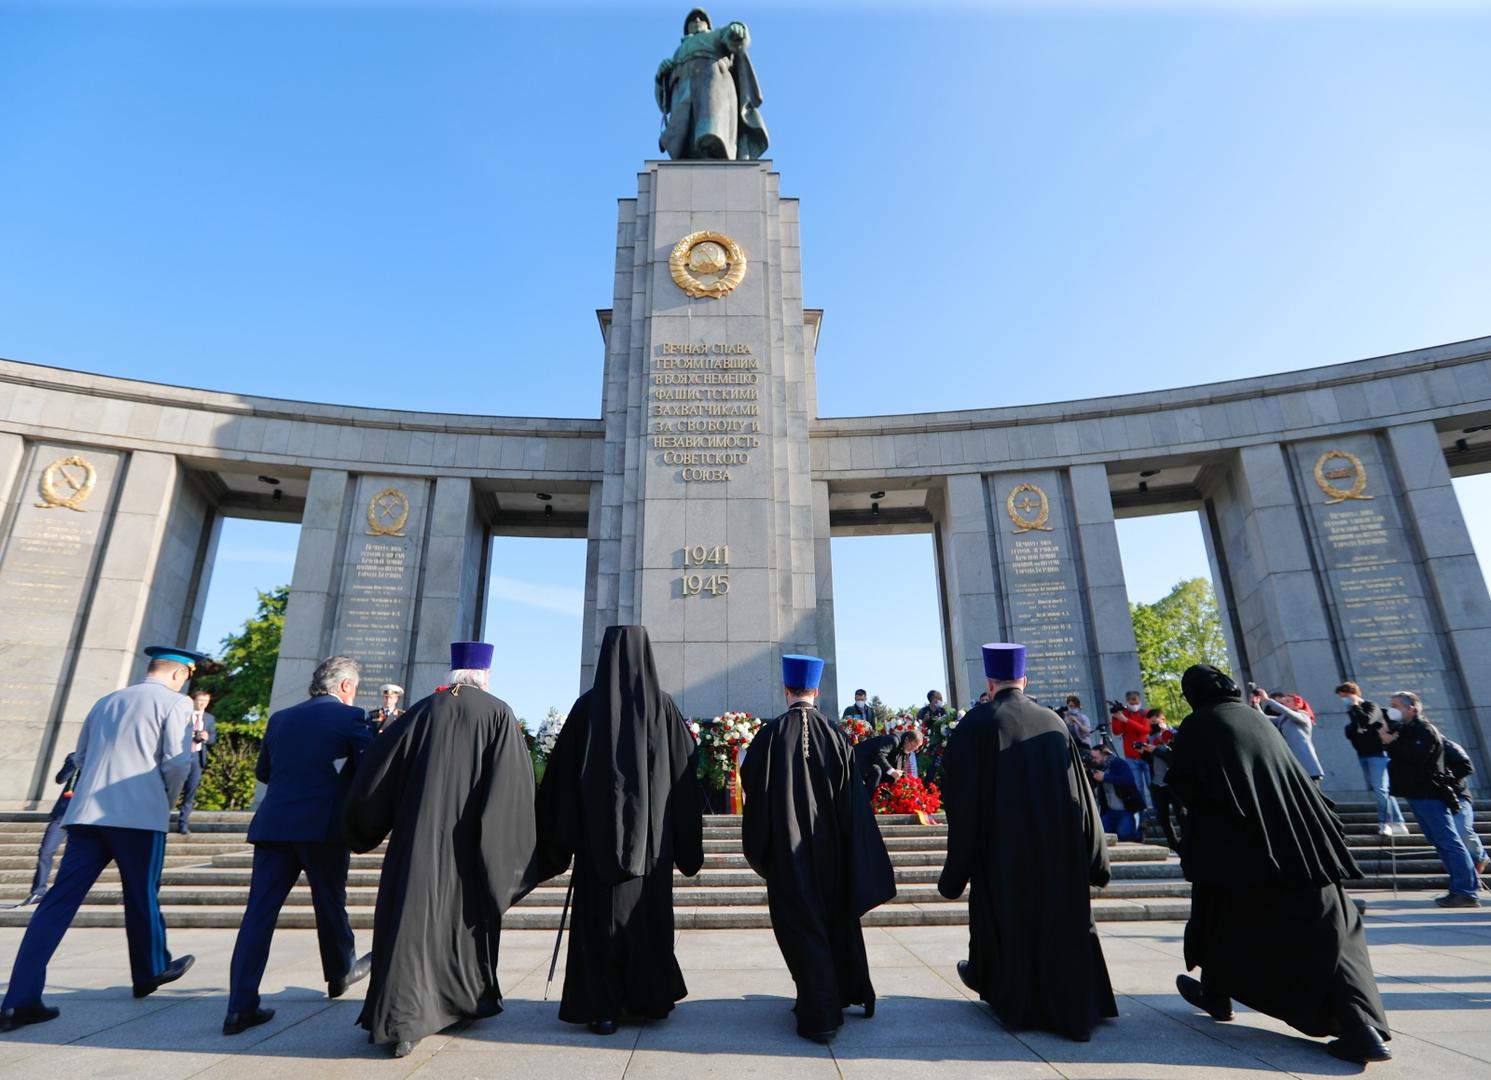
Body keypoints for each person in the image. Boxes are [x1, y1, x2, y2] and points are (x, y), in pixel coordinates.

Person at [1166, 664, 1390, 1064]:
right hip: (1303, 844)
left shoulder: (1199, 725)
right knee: (1330, 930)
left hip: (1242, 849)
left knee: (1224, 915)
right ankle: (1217, 993)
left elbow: (1188, 788)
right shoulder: (1258, 719)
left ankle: (1359, 1029)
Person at [344, 642, 538, 1057]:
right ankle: (460, 1001)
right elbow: (511, 789)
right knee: (459, 926)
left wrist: (366, 823)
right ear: (483, 675)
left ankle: (402, 1020)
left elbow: (379, 773)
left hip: (415, 842)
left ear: (453, 674)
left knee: (410, 926)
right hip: (468, 849)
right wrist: (506, 851)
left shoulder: (421, 711)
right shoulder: (497, 712)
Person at [0, 645, 202, 1032]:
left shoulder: (105, 702)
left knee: (58, 903)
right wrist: (165, 799)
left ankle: (18, 999)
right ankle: (150, 969)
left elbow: (82, 756)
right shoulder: (176, 704)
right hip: (138, 817)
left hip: (86, 816)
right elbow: (177, 762)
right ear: (180, 675)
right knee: (141, 895)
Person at [939, 642, 1116, 1041]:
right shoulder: (1054, 723)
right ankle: (1073, 1003)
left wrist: (956, 872)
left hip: (1002, 855)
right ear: (1025, 679)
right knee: (1062, 924)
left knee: (1009, 924)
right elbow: (1083, 796)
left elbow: (962, 806)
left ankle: (1015, 999)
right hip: (1059, 852)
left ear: (989, 683)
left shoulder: (974, 726)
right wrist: (1095, 856)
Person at [534, 626, 704, 1034]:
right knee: (647, 921)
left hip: (598, 850)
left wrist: (561, 842)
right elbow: (685, 782)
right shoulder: (663, 709)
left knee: (600, 925)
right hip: (652, 851)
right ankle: (650, 999)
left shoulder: (586, 708)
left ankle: (602, 1008)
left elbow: (559, 784)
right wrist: (686, 848)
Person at [741, 654, 895, 1044]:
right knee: (832, 921)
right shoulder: (837, 735)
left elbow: (753, 789)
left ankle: (820, 1013)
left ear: (786, 690)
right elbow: (853, 800)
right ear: (816, 690)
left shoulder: (770, 734)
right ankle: (840, 992)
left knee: (800, 926)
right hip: (832, 851)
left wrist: (764, 848)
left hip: (787, 849)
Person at [222, 656, 374, 1036]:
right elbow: (370, 766)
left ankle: (240, 1005)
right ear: (344, 687)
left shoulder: (281, 718)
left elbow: (263, 773)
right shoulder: (352, 718)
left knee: (258, 914)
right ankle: (340, 972)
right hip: (322, 829)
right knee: (329, 903)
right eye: (354, 687)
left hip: (274, 827)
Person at [1379, 691, 1479, 908]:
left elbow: (1416, 757)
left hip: (1429, 794)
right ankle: (1460, 888)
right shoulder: (1405, 730)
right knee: (1440, 842)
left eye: (1395, 705)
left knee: (1448, 841)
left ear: (1411, 708)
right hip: (1417, 794)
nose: (1391, 709)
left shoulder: (1424, 729)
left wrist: (1390, 743)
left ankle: (1466, 891)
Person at [655, 8, 768, 161]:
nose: (696, 21)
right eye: (692, 20)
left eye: (700, 19)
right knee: (684, 134)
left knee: (710, 129)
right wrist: (661, 75)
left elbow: (735, 37)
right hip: (683, 90)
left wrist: (738, 28)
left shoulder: (716, 35)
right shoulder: (679, 51)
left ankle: (711, 154)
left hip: (713, 81)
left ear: (708, 25)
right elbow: (664, 103)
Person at [1338, 682, 1409, 836]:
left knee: (1381, 789)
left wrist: (1356, 705)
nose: (1344, 700)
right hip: (1364, 754)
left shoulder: (1371, 706)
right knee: (1383, 790)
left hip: (1378, 754)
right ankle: (1399, 823)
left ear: (1354, 694)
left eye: (1345, 696)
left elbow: (1366, 721)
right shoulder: (1352, 711)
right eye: (1342, 697)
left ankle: (1386, 823)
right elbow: (1356, 731)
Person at [17, 753, 80, 907]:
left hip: (82, 816)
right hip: (61, 815)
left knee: (74, 858)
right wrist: (74, 763)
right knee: (46, 850)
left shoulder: (100, 759)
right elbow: (60, 779)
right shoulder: (74, 757)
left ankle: (65, 895)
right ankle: (39, 891)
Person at [1252, 686, 1323, 783]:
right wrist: (1256, 705)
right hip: (1293, 760)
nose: (1284, 703)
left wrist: (1267, 699)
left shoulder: (1303, 715)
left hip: (1305, 762)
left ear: (1297, 705)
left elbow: (1288, 712)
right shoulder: (1283, 718)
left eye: (1288, 701)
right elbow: (1265, 718)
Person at [1441, 736, 1488, 875]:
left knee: (1463, 829)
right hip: (1437, 799)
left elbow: (1467, 767)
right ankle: (1465, 872)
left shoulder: (1447, 745)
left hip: (1459, 796)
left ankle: (1480, 857)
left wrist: (1447, 778)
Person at [176, 689, 217, 835]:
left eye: (205, 702)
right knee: (173, 789)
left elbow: (213, 739)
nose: (202, 704)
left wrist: (206, 737)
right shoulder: (184, 715)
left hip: (198, 758)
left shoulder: (209, 718)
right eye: (200, 701)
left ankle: (183, 824)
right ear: (193, 700)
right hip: (182, 756)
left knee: (190, 793)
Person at [1108, 693, 1154, 815]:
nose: (1133, 703)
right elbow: (1117, 731)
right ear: (1127, 701)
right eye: (1130, 701)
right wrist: (1115, 716)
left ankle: (1158, 812)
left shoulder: (1144, 713)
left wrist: (1126, 720)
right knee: (1137, 788)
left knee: (1152, 786)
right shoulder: (1124, 714)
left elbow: (1145, 730)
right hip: (1131, 757)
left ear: (1139, 700)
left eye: (1135, 701)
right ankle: (1144, 817)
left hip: (1146, 755)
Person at [1089, 746, 1144, 843]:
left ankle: (1138, 834)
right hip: (1110, 810)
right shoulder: (1098, 766)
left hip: (1126, 808)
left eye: (1095, 758)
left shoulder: (1118, 763)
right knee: (1100, 833)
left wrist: (1105, 777)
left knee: (1124, 834)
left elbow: (1128, 781)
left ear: (1104, 755)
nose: (1093, 760)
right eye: (1092, 757)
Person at [854, 728, 925, 793]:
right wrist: (892, 771)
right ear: (906, 739)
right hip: (859, 757)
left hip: (873, 760)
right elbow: (880, 755)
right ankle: (865, 801)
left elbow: (900, 767)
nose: (912, 749)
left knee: (891, 779)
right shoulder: (893, 739)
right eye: (912, 746)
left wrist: (908, 783)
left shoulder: (907, 749)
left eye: (915, 748)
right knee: (877, 771)